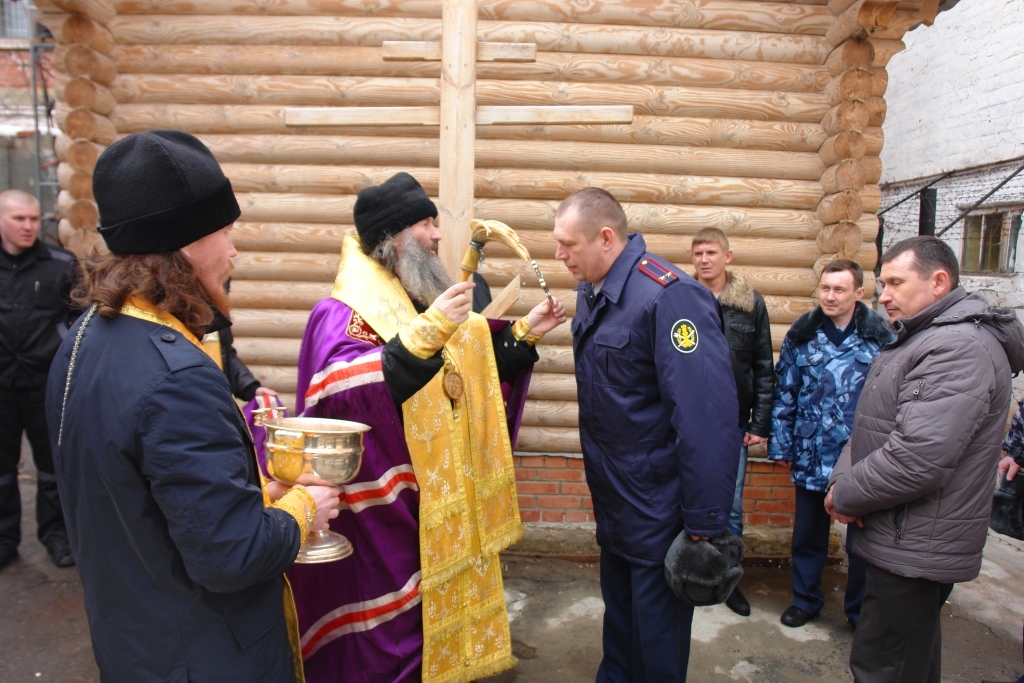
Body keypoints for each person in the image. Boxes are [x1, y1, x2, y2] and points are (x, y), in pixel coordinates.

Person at [45, 130, 341, 681]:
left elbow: (142, 497)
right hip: (204, 656)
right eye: (224, 231)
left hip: (134, 641)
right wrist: (305, 506)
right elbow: (232, 557)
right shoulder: (176, 377)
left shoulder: (85, 336)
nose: (233, 251)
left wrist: (260, 495)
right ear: (184, 244)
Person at [289, 171, 566, 683]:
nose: (438, 235)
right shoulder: (341, 314)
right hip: (382, 515)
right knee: (389, 647)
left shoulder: (418, 299)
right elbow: (335, 393)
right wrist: (425, 336)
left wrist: (522, 335)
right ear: (393, 239)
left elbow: (467, 372)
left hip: (437, 504)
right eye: (425, 224)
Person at [553, 187, 739, 681]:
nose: (559, 255)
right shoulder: (594, 291)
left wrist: (705, 522)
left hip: (660, 513)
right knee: (620, 631)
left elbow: (705, 417)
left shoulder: (669, 296)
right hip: (617, 504)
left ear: (605, 238)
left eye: (568, 244)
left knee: (657, 647)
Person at [827, 236, 1024, 682]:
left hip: (915, 545)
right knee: (907, 664)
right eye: (882, 284)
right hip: (900, 536)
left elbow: (917, 457)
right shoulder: (924, 337)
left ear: (938, 282)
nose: (884, 296)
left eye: (896, 283)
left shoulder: (958, 348)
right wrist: (842, 478)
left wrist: (846, 494)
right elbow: (871, 428)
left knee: (886, 670)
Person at [767, 259, 891, 629]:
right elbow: (785, 393)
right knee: (808, 535)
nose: (830, 296)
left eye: (839, 289)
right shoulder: (801, 335)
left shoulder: (881, 339)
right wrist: (782, 445)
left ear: (859, 293)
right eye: (825, 288)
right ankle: (805, 601)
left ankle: (859, 612)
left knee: (862, 542)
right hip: (811, 452)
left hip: (860, 458)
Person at [691, 227, 774, 617]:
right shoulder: (679, 299)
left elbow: (763, 366)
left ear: (728, 257)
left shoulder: (750, 304)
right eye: (698, 253)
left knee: (732, 507)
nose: (704, 259)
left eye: (711, 252)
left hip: (733, 424)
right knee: (687, 498)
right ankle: (690, 571)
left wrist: (759, 424)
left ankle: (728, 579)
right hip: (688, 423)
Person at [0, 189, 77, 570]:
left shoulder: (60, 265)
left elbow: (80, 321)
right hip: (1, 385)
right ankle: (4, 539)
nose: (29, 226)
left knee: (51, 465)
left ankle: (56, 534)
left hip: (44, 384)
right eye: (19, 219)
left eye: (34, 219)